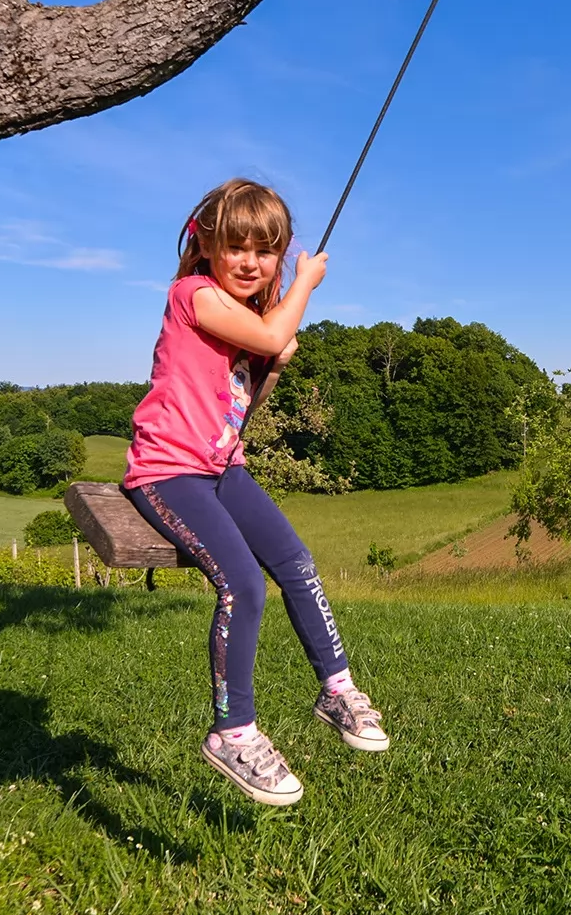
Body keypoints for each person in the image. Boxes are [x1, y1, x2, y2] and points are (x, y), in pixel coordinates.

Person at [122, 178, 388, 806]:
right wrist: (303, 282)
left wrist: (272, 361)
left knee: (295, 561)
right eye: (236, 246)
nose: (249, 261)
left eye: (265, 251)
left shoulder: (246, 324)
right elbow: (270, 334)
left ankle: (336, 687)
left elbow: (244, 405)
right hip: (168, 471)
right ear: (206, 245)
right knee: (242, 584)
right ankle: (232, 732)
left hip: (222, 466)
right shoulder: (193, 294)